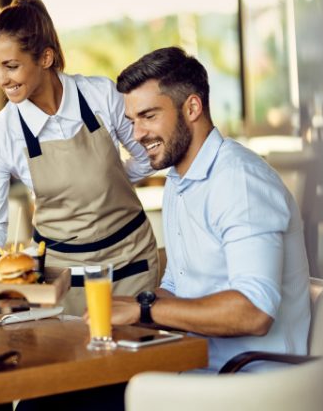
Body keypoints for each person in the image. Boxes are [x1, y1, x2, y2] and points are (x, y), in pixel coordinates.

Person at [111, 46, 311, 372]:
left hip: (251, 379)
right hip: (196, 364)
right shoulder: (178, 181)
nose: (137, 134)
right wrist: (130, 304)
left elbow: (255, 311)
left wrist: (143, 311)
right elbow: (178, 287)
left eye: (149, 116)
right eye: (132, 120)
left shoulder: (239, 181)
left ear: (192, 107)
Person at [0, 0, 158, 314]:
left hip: (132, 265)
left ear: (45, 58)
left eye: (11, 66)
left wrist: (106, 181)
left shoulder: (100, 95)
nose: (1, 79)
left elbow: (147, 156)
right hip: (62, 280)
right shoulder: (1, 133)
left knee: (136, 360)